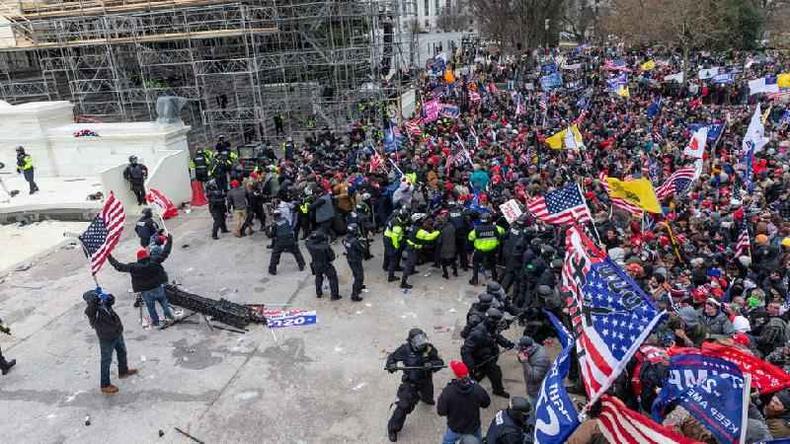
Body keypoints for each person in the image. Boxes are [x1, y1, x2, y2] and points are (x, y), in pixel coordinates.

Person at [385, 328, 445, 442]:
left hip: (426, 380)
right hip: (410, 382)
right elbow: (392, 357)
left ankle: (426, 398)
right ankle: (393, 428)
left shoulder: (429, 348)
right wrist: (391, 365)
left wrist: (432, 364)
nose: (421, 344)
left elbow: (440, 363)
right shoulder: (405, 349)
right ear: (411, 342)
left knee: (428, 398)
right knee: (403, 406)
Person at [107, 233, 175, 327]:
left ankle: (156, 322)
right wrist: (169, 241)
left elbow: (118, 266)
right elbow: (165, 253)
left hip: (146, 291)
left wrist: (109, 256)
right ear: (147, 256)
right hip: (157, 287)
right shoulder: (154, 262)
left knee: (151, 307)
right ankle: (170, 316)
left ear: (138, 258)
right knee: (164, 302)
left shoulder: (133, 267)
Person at [83, 288, 138, 394]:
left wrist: (107, 296)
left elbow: (111, 300)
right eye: (95, 297)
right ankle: (105, 384)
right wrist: (95, 300)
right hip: (107, 337)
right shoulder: (92, 311)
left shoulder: (104, 304)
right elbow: (90, 310)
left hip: (117, 332)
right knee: (106, 360)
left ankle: (123, 371)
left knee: (122, 351)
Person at [461, 308, 514, 398]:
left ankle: (498, 390)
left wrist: (507, 344)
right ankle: (464, 392)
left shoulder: (491, 328)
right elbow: (465, 350)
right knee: (475, 379)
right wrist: (471, 366)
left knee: (496, 374)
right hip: (478, 361)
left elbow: (497, 336)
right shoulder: (477, 333)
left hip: (488, 357)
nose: (499, 323)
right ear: (491, 321)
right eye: (497, 321)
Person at [437, 360, 491, 444]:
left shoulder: (448, 391)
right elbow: (486, 403)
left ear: (455, 374)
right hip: (473, 427)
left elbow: (441, 411)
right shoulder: (477, 388)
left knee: (448, 441)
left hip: (455, 427)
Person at [400, 213, 440, 289]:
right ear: (418, 221)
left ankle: (412, 271)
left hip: (412, 247)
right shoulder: (418, 231)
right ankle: (403, 283)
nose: (423, 221)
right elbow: (430, 237)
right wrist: (438, 231)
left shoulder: (413, 227)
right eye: (422, 220)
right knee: (409, 264)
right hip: (413, 249)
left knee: (413, 261)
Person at [467, 213, 505, 285]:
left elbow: (470, 238)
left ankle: (475, 280)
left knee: (475, 264)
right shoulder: (496, 228)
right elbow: (502, 231)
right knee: (492, 264)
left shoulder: (476, 230)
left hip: (480, 251)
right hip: (491, 250)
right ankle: (494, 279)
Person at [268, 209, 305, 275]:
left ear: (274, 216)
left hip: (280, 241)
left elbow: (272, 235)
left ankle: (272, 270)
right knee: (296, 252)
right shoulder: (286, 220)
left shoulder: (275, 224)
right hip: (290, 239)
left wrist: (268, 232)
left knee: (275, 254)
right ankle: (301, 264)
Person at [305, 230, 340, 300]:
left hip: (315, 263)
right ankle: (334, 295)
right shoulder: (325, 247)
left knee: (318, 277)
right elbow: (332, 257)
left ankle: (318, 293)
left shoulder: (309, 245)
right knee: (333, 278)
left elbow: (308, 239)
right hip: (325, 264)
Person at [516, 336, 549, 407]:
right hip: (531, 386)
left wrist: (525, 362)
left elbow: (534, 378)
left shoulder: (541, 359)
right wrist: (520, 356)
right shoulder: (530, 349)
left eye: (521, 349)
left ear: (526, 348)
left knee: (533, 407)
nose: (519, 351)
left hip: (537, 390)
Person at [383, 208, 408, 282]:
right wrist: (396, 246)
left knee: (393, 256)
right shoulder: (397, 226)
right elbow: (394, 237)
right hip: (390, 240)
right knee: (393, 258)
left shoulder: (395, 219)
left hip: (388, 237)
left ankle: (396, 267)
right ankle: (391, 277)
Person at [342, 223, 365, 301]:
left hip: (350, 258)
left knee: (356, 274)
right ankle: (354, 295)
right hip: (356, 259)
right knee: (359, 276)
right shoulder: (355, 241)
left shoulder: (345, 238)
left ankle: (359, 286)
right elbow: (363, 248)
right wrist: (363, 240)